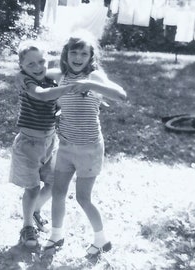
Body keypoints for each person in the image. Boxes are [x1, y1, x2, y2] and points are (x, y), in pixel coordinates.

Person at [42, 31, 127, 259]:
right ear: (66, 54)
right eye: (74, 52)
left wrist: (90, 84)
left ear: (90, 57)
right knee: (58, 192)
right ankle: (56, 234)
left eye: (83, 53)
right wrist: (27, 74)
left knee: (83, 198)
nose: (78, 57)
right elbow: (34, 73)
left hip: (89, 148)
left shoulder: (95, 76)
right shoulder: (60, 75)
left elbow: (121, 94)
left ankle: (102, 239)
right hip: (66, 146)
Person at [9, 40, 79, 249]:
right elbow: (41, 95)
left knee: (54, 184)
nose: (38, 67)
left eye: (42, 61)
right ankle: (27, 226)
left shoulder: (52, 80)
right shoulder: (27, 81)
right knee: (32, 188)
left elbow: (55, 102)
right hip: (28, 145)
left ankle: (35, 211)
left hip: (50, 142)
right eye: (31, 64)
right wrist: (68, 88)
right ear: (22, 67)